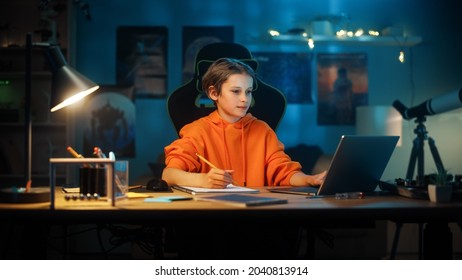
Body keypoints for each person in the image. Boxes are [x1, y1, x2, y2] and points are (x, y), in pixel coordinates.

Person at [162, 57, 326, 189]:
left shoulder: (262, 130)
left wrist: (310, 179)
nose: (244, 99)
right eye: (236, 91)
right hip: (212, 216)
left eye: (248, 92)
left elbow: (284, 172)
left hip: (255, 215)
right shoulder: (197, 131)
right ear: (213, 93)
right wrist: (203, 180)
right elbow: (168, 174)